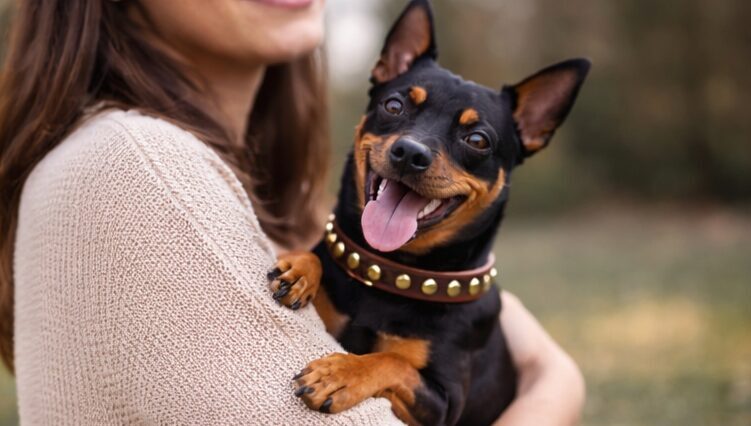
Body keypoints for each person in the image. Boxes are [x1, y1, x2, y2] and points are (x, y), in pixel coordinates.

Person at [0, 0, 584, 424]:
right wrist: (556, 380)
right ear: (384, 74)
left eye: (474, 141)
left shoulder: (287, 201)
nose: (415, 147)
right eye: (398, 109)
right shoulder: (135, 168)